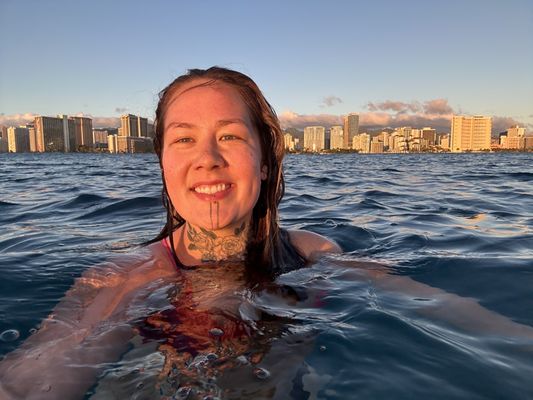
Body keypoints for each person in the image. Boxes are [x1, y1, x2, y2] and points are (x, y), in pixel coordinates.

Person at [0, 67, 341, 399]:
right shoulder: (126, 279)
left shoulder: (314, 254)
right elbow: (31, 380)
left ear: (264, 161)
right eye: (184, 139)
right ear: (163, 162)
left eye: (230, 136)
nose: (207, 158)